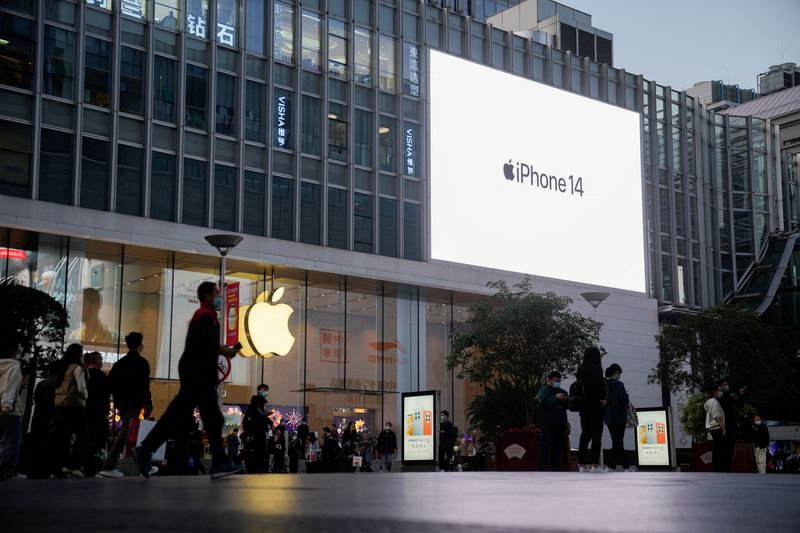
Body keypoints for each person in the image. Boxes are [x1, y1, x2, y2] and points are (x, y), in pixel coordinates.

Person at [135, 282, 243, 479]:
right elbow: (206, 344)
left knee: (185, 416)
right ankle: (219, 462)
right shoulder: (204, 316)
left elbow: (205, 344)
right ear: (207, 296)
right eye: (217, 294)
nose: (220, 298)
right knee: (208, 417)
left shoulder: (204, 316)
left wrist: (222, 350)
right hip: (199, 374)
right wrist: (225, 350)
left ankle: (146, 449)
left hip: (196, 373)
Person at [99, 332, 152, 478]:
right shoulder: (142, 363)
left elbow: (109, 384)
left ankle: (145, 466)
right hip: (135, 403)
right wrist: (148, 403)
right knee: (126, 432)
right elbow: (144, 386)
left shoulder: (119, 364)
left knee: (131, 434)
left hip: (121, 403)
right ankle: (109, 465)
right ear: (140, 344)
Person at [53, 343, 89, 478]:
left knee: (63, 437)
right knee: (84, 435)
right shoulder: (78, 368)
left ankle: (59, 467)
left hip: (60, 406)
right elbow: (81, 388)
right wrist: (86, 397)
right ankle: (73, 465)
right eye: (82, 353)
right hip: (74, 405)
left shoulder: (63, 368)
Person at [577, 346, 607, 472]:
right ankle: (595, 464)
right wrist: (602, 399)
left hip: (583, 405)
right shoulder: (597, 369)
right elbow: (599, 386)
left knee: (585, 434)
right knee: (596, 435)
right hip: (596, 405)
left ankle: (582, 465)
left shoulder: (581, 369)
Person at [28, 361, 59, 479]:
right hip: (52, 422)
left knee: (37, 449)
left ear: (49, 372)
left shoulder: (42, 385)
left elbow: (37, 401)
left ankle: (34, 472)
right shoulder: (59, 385)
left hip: (39, 420)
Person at [82, 351, 110, 477]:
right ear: (97, 361)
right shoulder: (101, 376)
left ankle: (87, 468)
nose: (102, 362)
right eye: (101, 359)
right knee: (99, 439)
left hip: (84, 411)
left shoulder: (83, 375)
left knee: (87, 439)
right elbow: (105, 395)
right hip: (98, 413)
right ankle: (85, 462)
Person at [0, 339, 24, 480]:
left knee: (5, 440)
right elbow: (10, 387)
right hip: (9, 409)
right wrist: (7, 405)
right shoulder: (14, 366)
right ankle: (10, 470)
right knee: (13, 439)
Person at [604, 364, 636, 472]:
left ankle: (612, 466)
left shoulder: (605, 384)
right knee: (618, 442)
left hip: (608, 417)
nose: (620, 375)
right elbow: (624, 399)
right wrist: (626, 395)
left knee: (617, 442)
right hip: (619, 417)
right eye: (619, 373)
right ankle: (623, 466)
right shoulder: (619, 384)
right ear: (617, 372)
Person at [537, 370, 569, 471]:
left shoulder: (563, 392)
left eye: (559, 381)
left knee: (558, 452)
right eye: (556, 381)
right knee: (545, 450)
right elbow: (543, 404)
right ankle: (541, 469)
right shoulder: (544, 390)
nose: (557, 383)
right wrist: (555, 397)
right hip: (548, 425)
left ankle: (557, 470)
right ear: (549, 380)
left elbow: (565, 408)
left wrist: (565, 400)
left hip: (560, 426)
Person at [716, 378, 746, 472]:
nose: (727, 386)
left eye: (727, 384)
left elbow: (740, 404)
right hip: (723, 426)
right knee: (725, 448)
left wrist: (741, 394)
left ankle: (726, 467)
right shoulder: (717, 399)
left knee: (729, 448)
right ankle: (724, 468)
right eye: (725, 384)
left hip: (729, 426)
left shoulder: (729, 397)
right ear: (720, 387)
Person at [241, 394, 269, 474]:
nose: (264, 405)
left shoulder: (257, 412)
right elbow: (248, 425)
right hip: (256, 442)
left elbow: (245, 424)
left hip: (255, 442)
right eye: (263, 403)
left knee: (254, 463)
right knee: (255, 462)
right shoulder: (256, 413)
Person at [704, 383, 726, 473]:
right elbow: (716, 416)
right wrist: (723, 428)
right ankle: (718, 469)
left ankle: (717, 468)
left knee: (717, 449)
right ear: (714, 392)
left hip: (713, 429)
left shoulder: (709, 402)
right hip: (716, 428)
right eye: (719, 390)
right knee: (718, 450)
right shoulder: (714, 402)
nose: (720, 392)